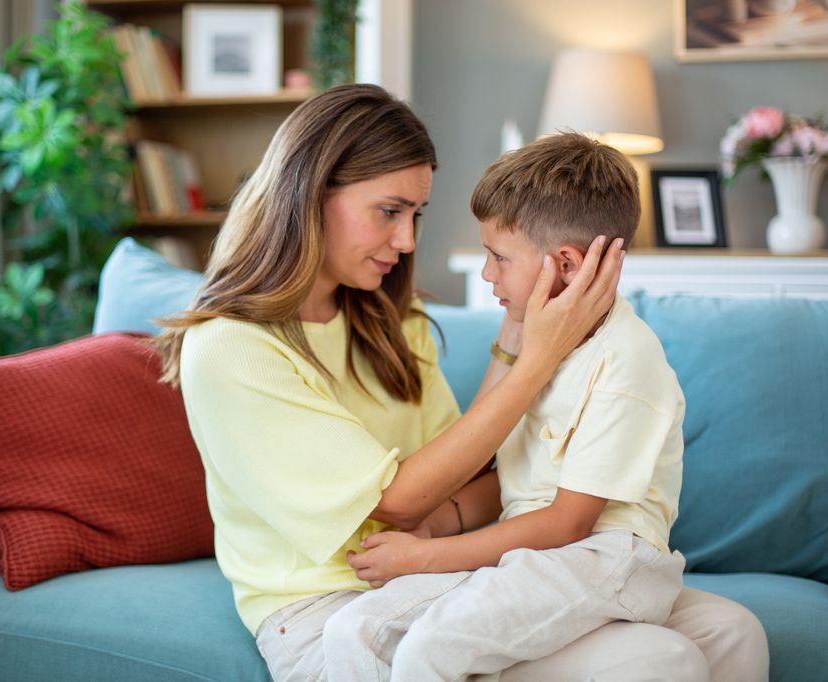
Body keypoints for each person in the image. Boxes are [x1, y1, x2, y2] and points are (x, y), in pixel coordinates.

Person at [155, 84, 766, 681]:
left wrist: (517, 331)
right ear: (311, 196)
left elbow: (466, 469)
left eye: (415, 214)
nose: (407, 240)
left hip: (435, 575)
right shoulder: (230, 348)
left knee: (733, 632)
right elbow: (395, 501)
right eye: (389, 211)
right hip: (327, 607)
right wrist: (536, 360)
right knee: (663, 662)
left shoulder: (392, 325)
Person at [321, 131, 768, 681]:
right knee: (353, 628)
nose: (487, 274)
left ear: (566, 264)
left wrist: (424, 559)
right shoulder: (547, 347)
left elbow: (566, 522)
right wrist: (437, 526)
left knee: (432, 646)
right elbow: (520, 477)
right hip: (539, 559)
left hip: (602, 558)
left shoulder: (625, 359)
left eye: (498, 257)